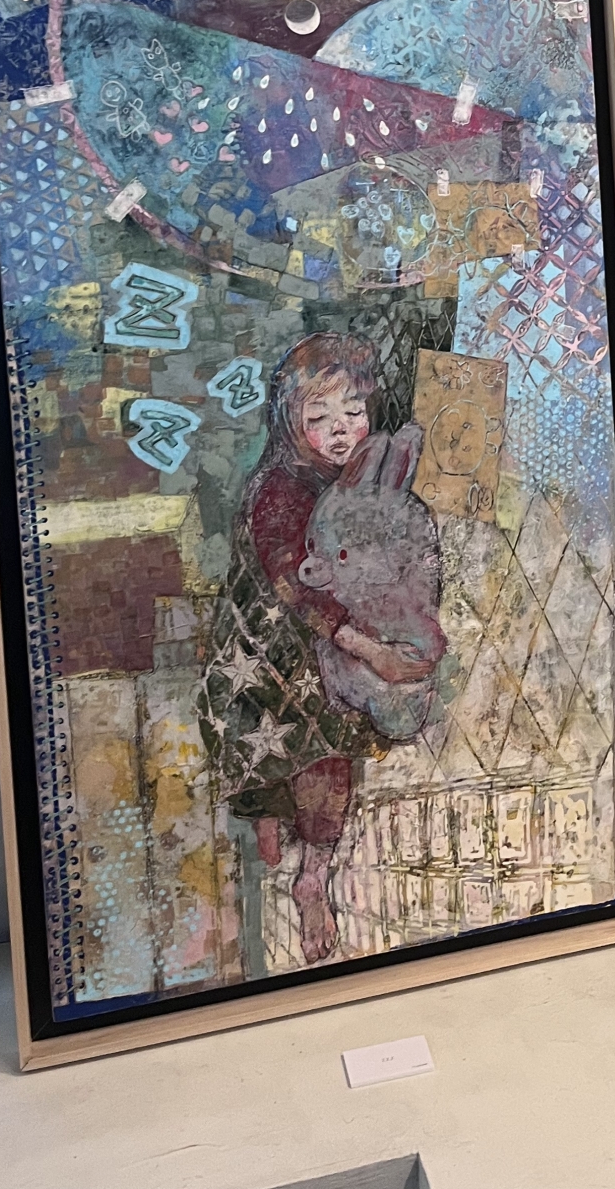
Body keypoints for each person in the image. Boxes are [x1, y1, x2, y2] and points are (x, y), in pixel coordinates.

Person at [197, 333, 444, 965]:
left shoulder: (366, 482)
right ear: (290, 420)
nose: (340, 430)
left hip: (338, 653)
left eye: (353, 412)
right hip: (271, 647)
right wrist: (371, 650)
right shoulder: (278, 490)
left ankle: (314, 877)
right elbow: (296, 590)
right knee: (265, 751)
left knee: (329, 762)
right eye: (319, 416)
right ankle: (267, 819)